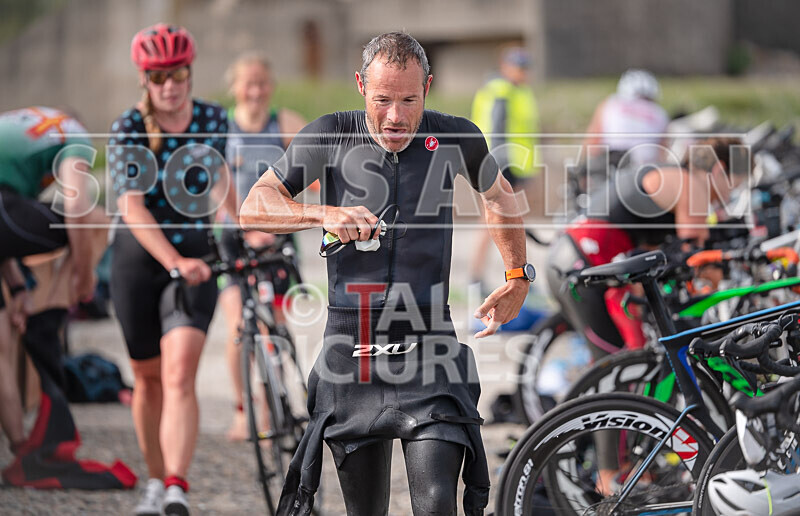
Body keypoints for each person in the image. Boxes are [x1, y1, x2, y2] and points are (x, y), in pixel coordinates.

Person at [240, 31, 532, 516]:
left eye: (408, 100)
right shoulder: (330, 134)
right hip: (350, 347)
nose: (395, 116)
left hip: (428, 339)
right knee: (366, 510)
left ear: (428, 88)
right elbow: (254, 207)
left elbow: (499, 195)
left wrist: (517, 273)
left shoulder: (455, 136)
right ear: (360, 86)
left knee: (439, 502)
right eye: (382, 100)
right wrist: (324, 213)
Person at [545, 137, 748, 493]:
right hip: (580, 266)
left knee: (629, 360)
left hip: (581, 263)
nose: (729, 198)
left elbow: (660, 256)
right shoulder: (693, 183)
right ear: (719, 170)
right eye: (736, 184)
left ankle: (626, 466)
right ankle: (609, 480)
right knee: (617, 371)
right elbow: (694, 257)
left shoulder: (672, 185)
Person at [109, 23, 238, 516]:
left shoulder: (212, 117)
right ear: (145, 79)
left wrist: (248, 223)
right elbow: (133, 209)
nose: (169, 85)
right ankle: (155, 480)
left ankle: (177, 488)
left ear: (189, 72)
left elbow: (221, 184)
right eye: (158, 76)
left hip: (197, 262)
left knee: (181, 372)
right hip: (140, 262)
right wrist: (173, 261)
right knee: (148, 379)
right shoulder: (129, 127)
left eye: (177, 74)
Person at [0, 106, 98, 459]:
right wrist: (85, 278)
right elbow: (78, 211)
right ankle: (55, 310)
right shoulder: (73, 133)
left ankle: (21, 451)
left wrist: (18, 289)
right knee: (96, 219)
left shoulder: (21, 128)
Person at [220, 52, 306, 441]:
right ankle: (245, 410)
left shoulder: (284, 123)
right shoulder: (222, 128)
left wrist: (292, 214)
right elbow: (217, 185)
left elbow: (318, 164)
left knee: (278, 324)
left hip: (277, 234)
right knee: (239, 326)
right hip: (236, 234)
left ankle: (278, 399)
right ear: (236, 87)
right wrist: (248, 225)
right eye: (248, 83)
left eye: (262, 83)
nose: (256, 91)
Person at [469, 47, 539, 294]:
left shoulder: (520, 92)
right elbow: (497, 132)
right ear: (505, 66)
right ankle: (476, 278)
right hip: (502, 165)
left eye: (524, 67)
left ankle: (516, 275)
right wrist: (498, 169)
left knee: (511, 223)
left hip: (515, 166)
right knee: (493, 222)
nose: (522, 72)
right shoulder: (501, 91)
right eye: (518, 67)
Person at [583, 69, 669, 169]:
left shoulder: (610, 104)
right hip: (645, 171)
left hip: (613, 164)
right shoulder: (661, 113)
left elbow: (592, 143)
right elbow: (663, 154)